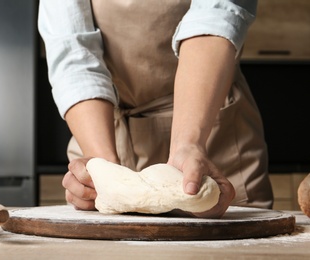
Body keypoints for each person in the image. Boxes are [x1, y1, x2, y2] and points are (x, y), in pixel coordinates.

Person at [38, 0, 273, 218]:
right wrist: (103, 170)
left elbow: (215, 16)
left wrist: (188, 144)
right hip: (101, 126)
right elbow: (74, 52)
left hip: (211, 132)